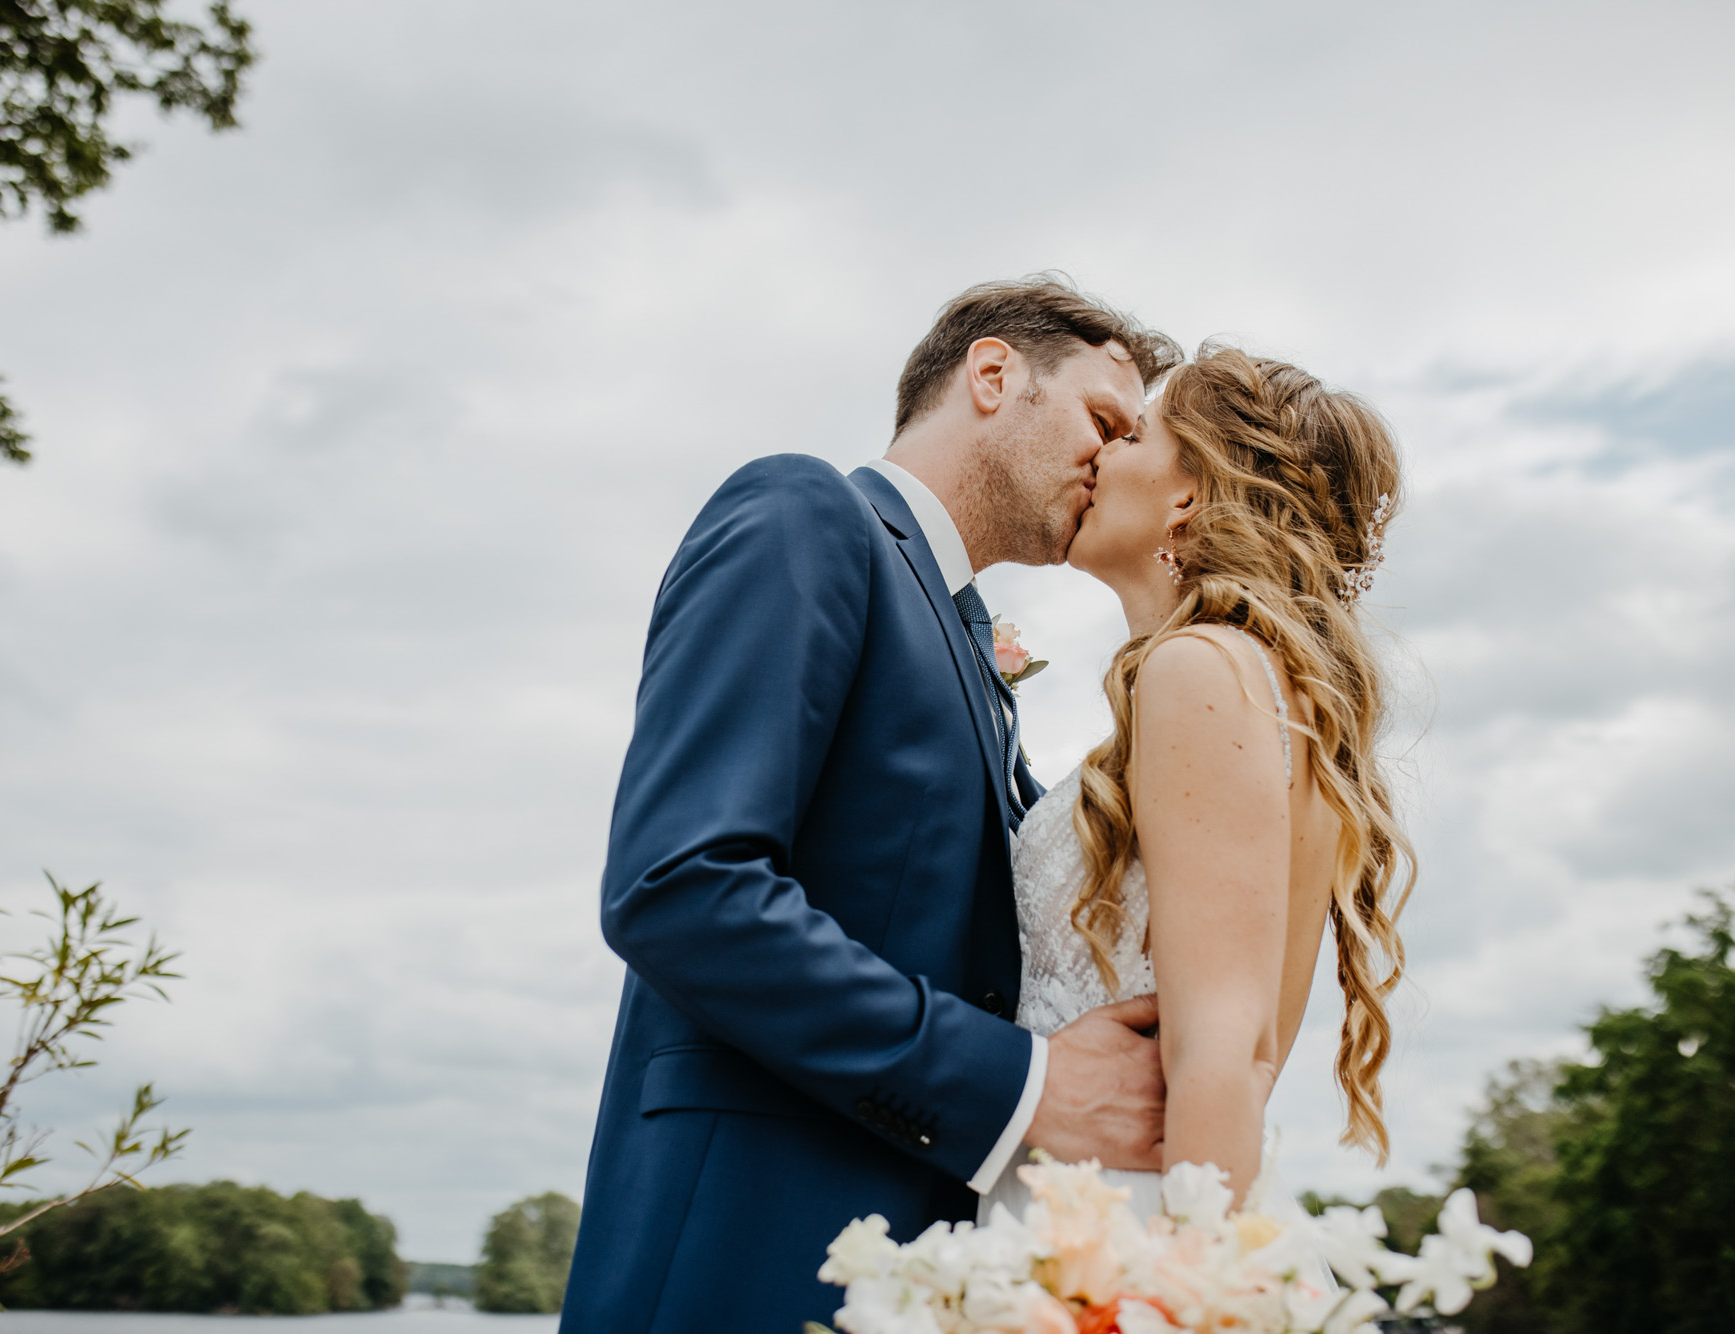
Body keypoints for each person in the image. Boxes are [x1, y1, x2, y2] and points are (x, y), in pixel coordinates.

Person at [561, 277, 1183, 1334]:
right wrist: (1022, 1086)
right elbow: (681, 886)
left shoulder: (977, 651)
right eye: (1103, 419)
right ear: (993, 374)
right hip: (744, 1256)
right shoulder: (804, 513)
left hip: (921, 1276)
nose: (1114, 457)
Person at [983, 342, 1413, 1226]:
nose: (1100, 453)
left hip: (1119, 1220)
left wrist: (1186, 1281)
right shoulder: (1268, 690)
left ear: (1188, 496)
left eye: (1135, 435)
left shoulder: (1201, 669)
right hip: (1109, 1199)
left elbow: (1224, 1045)